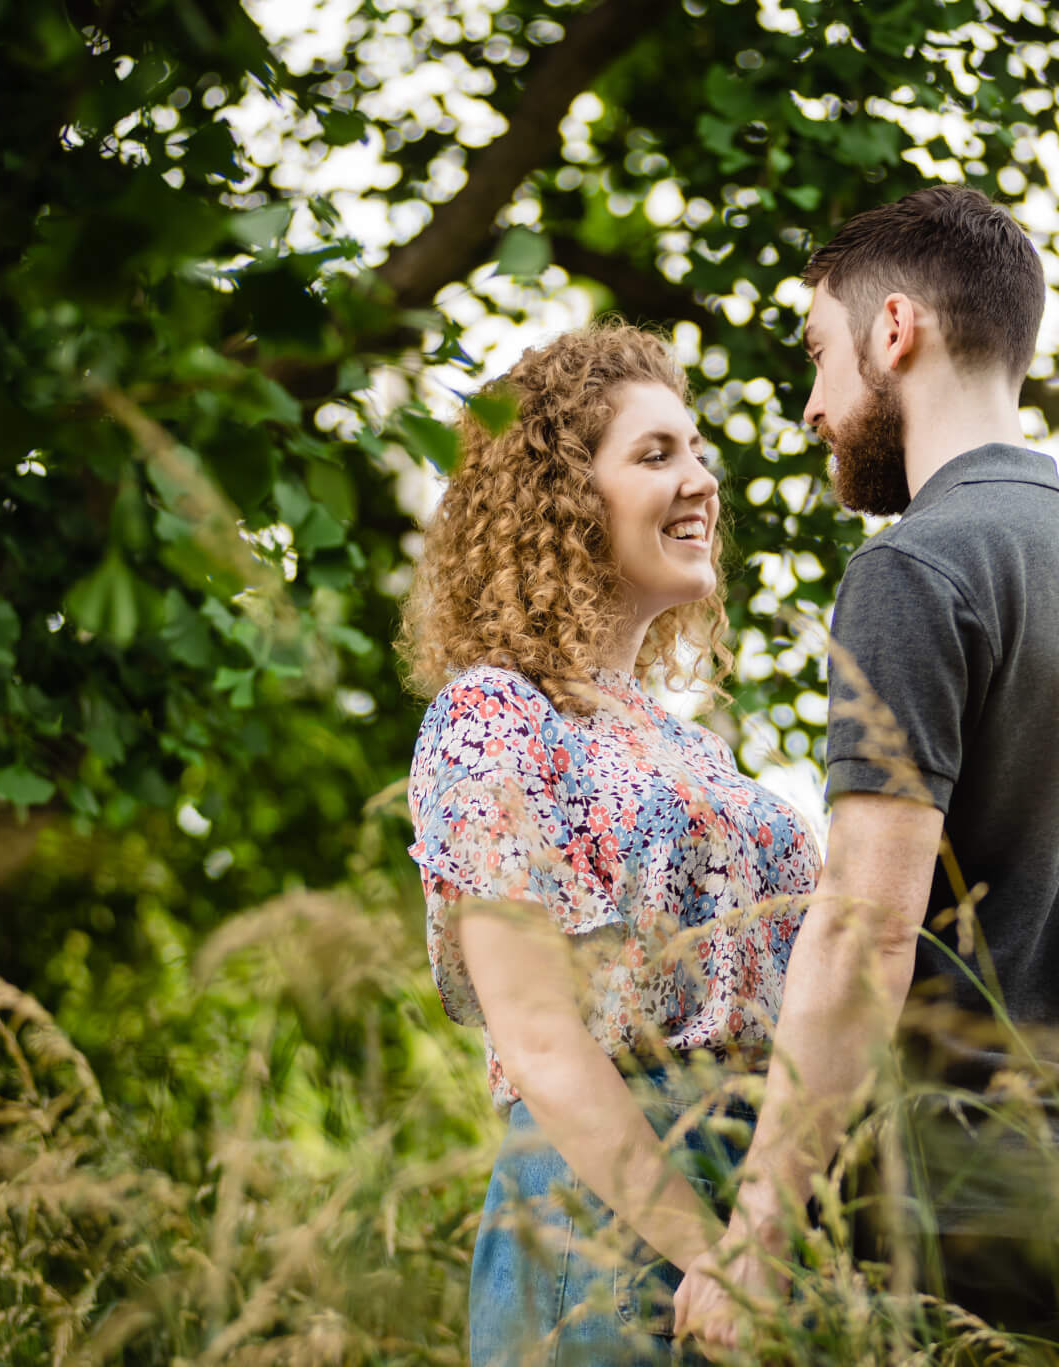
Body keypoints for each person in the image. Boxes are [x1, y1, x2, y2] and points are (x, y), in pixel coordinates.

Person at [674, 186, 1059, 1360]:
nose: (811, 405)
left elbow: (863, 928)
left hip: (959, 1220)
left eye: (817, 354)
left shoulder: (915, 568)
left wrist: (756, 1230)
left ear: (892, 330)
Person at [401, 323, 820, 1365]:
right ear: (561, 498)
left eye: (696, 449)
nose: (700, 479)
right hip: (605, 1216)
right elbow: (542, 1039)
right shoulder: (492, 715)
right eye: (655, 454)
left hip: (753, 1202)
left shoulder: (684, 743)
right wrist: (705, 1253)